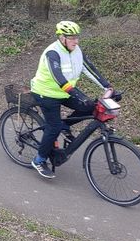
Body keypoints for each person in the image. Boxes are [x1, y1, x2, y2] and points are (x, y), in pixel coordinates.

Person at [29, 20, 114, 179]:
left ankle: (64, 125)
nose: (76, 41)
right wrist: (78, 94)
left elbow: (90, 69)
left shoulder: (76, 50)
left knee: (90, 106)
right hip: (46, 93)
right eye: (72, 37)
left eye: (77, 37)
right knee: (53, 128)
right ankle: (39, 160)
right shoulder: (52, 53)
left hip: (64, 92)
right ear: (62, 38)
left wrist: (107, 87)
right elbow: (58, 78)